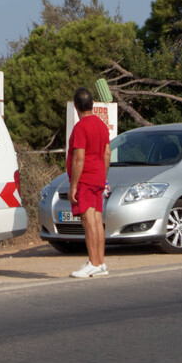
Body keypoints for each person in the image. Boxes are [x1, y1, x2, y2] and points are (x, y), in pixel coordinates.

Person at [66, 86, 111, 278]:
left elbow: (79, 158)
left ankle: (93, 262)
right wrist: (103, 174)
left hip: (85, 178)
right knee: (97, 220)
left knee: (88, 221)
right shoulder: (101, 125)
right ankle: (100, 262)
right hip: (98, 176)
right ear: (92, 104)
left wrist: (74, 185)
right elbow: (107, 153)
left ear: (76, 106)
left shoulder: (80, 127)